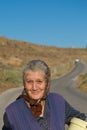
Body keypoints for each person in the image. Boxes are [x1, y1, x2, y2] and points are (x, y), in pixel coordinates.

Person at [2, 60, 87, 130]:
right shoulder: (12, 112)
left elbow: (81, 120)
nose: (34, 87)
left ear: (47, 83)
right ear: (24, 83)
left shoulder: (58, 102)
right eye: (29, 82)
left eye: (39, 81)